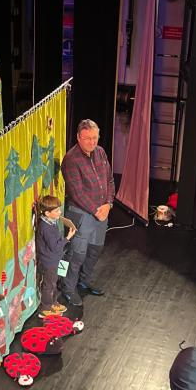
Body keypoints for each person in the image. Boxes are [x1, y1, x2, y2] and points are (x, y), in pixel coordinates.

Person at [59, 119, 115, 307]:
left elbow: (109, 180)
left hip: (102, 212)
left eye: (95, 137)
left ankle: (84, 280)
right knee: (76, 254)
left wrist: (108, 204)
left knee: (95, 249)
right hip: (81, 214)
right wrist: (96, 210)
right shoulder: (71, 159)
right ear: (78, 137)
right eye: (88, 138)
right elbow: (76, 193)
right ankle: (67, 287)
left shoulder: (100, 152)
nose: (92, 142)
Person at [36, 195, 75, 317]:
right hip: (49, 262)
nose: (59, 212)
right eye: (56, 210)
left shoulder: (51, 222)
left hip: (55, 259)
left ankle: (53, 303)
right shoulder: (45, 227)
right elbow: (55, 246)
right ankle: (45, 307)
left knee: (54, 282)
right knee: (49, 285)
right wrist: (68, 238)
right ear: (47, 213)